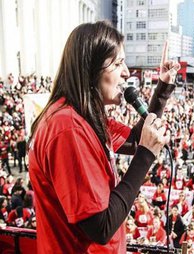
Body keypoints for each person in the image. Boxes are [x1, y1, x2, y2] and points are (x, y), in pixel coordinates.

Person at [27, 21, 178, 252]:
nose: (126, 72)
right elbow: (101, 227)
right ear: (91, 69)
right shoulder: (69, 128)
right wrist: (145, 156)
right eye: (118, 63)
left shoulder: (86, 117)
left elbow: (134, 140)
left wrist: (162, 90)